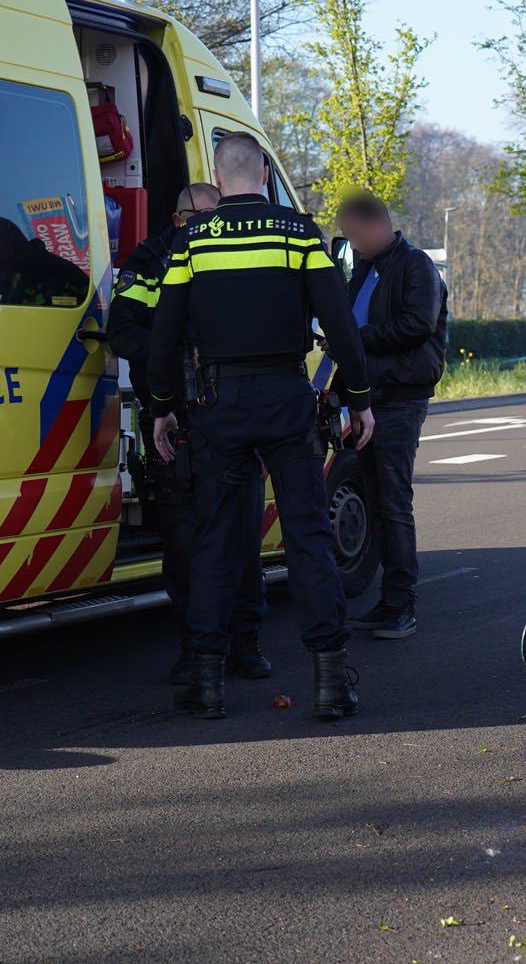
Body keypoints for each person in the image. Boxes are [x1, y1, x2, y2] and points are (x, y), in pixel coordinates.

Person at [148, 133, 375, 721]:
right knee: (307, 536)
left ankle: (207, 681)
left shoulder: (190, 240)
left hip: (217, 405)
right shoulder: (299, 233)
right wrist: (359, 399)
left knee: (217, 540)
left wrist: (163, 407)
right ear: (265, 176)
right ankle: (330, 680)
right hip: (285, 398)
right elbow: (341, 326)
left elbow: (164, 334)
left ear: (219, 181)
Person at [109, 184, 273, 687]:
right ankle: (196, 651)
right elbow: (122, 330)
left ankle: (246, 643)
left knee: (245, 536)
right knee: (185, 543)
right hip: (174, 418)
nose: (211, 226)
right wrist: (174, 355)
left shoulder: (235, 252)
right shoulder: (152, 258)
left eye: (215, 216)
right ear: (180, 218)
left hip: (231, 416)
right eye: (202, 217)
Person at [332, 192, 447, 640]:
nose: (354, 246)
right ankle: (388, 602)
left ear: (377, 225)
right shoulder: (365, 268)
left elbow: (417, 324)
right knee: (377, 500)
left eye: (356, 236)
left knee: (394, 503)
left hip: (399, 397)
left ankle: (401, 604)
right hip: (366, 396)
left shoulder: (415, 265)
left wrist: (355, 338)